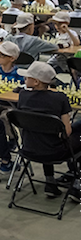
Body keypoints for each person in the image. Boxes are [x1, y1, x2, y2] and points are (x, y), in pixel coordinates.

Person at [17, 62, 81, 200]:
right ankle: (78, 185)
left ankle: (50, 182)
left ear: (36, 82)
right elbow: (67, 132)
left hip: (28, 148)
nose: (24, 80)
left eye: (27, 77)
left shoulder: (23, 96)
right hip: (56, 151)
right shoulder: (60, 98)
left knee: (43, 133)